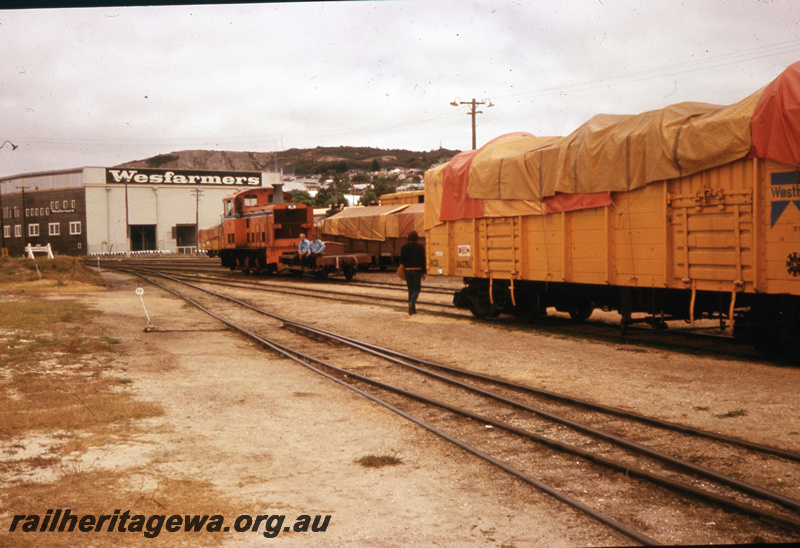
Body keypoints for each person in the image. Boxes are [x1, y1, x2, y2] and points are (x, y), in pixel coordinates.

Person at [400, 230, 426, 315]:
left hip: (407, 271)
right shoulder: (420, 247)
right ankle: (411, 302)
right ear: (417, 237)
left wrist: (402, 272)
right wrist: (423, 271)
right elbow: (423, 260)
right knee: (417, 289)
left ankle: (412, 310)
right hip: (416, 270)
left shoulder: (404, 247)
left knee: (410, 290)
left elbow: (402, 261)